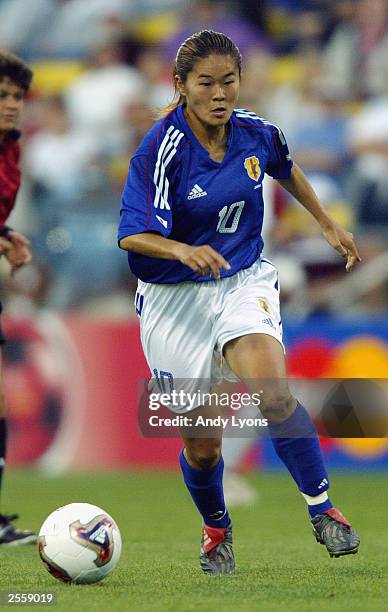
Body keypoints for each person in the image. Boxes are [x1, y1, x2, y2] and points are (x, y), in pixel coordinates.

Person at [118, 30, 361, 575]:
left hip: (241, 279)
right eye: (206, 83)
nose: (219, 93)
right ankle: (216, 530)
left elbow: (284, 164)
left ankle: (323, 511)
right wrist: (181, 249)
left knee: (273, 395)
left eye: (228, 81)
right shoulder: (160, 149)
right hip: (171, 300)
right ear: (181, 86)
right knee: (203, 447)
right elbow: (132, 234)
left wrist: (326, 222)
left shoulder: (256, 132)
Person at [0, 50, 36, 544]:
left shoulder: (11, 150)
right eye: (2, 95)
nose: (11, 105)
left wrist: (6, 234)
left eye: (16, 96)